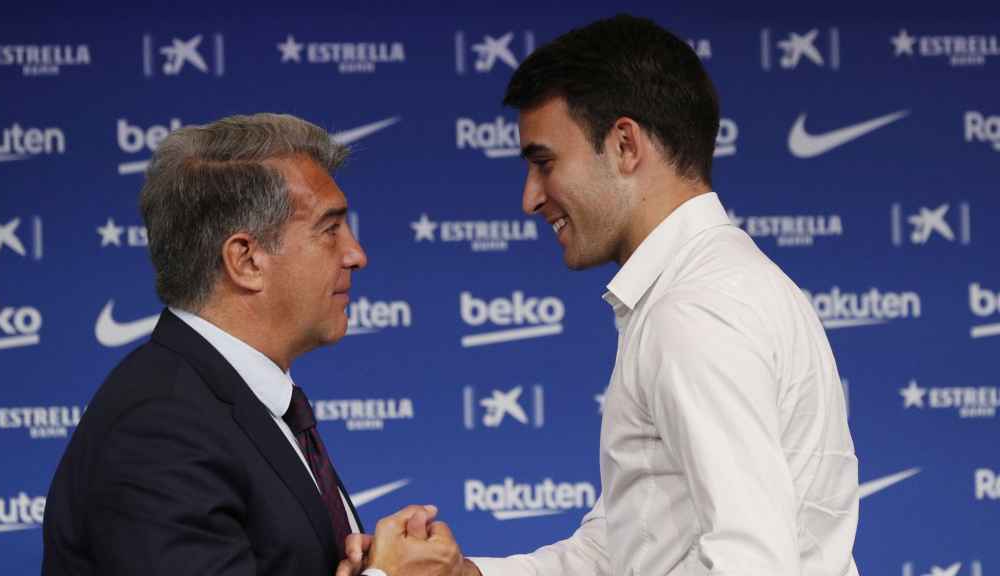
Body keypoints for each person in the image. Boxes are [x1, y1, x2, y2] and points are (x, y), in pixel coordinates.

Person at [347, 14, 859, 576]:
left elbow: (753, 564)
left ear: (623, 145)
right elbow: (623, 548)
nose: (530, 198)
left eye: (544, 163)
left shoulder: (693, 310)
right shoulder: (713, 287)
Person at [43, 113, 377, 576]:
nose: (356, 254)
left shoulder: (235, 401)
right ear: (246, 260)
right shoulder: (160, 427)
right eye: (330, 229)